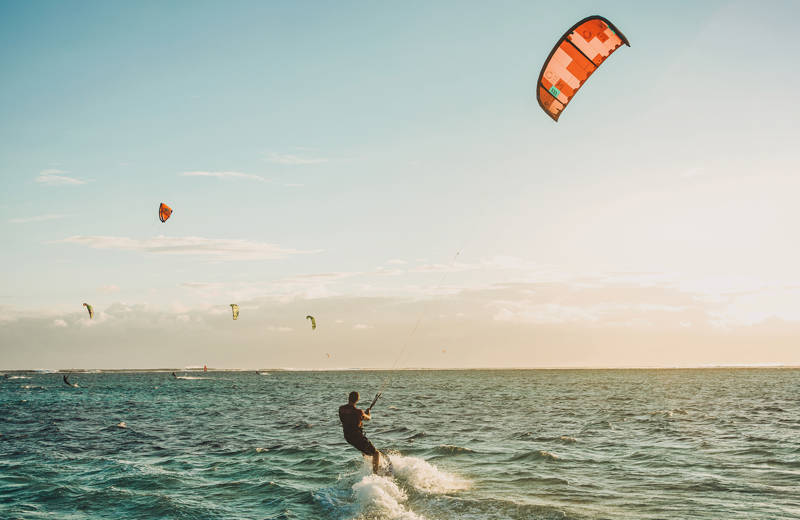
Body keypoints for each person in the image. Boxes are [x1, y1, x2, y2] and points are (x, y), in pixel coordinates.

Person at [339, 391, 380, 473]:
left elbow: (350, 417)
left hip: (347, 437)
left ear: (349, 398)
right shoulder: (359, 412)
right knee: (376, 453)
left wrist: (362, 415)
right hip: (357, 437)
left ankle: (369, 466)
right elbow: (368, 418)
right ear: (357, 399)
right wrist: (368, 413)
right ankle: (376, 474)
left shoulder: (341, 409)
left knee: (363, 450)